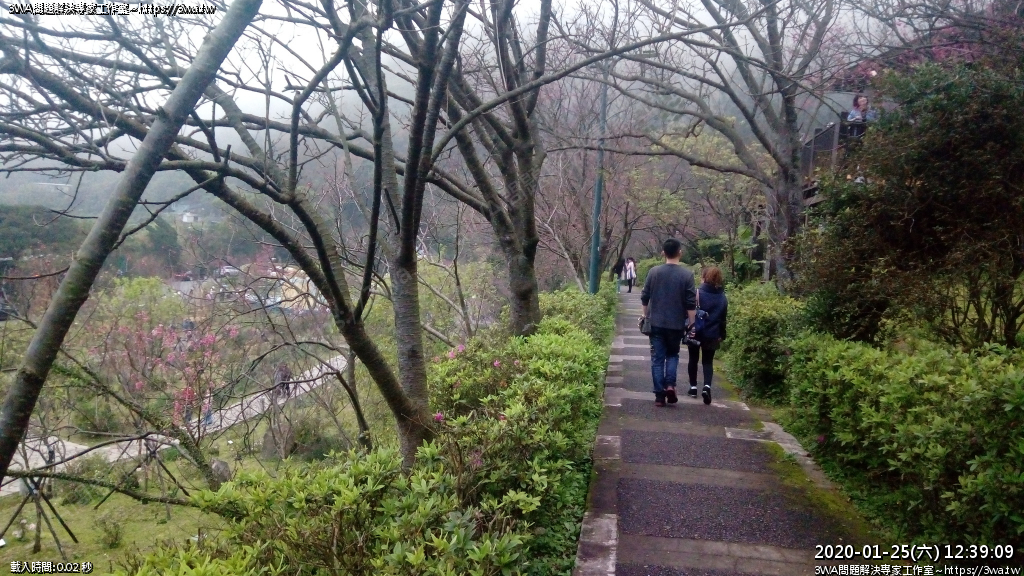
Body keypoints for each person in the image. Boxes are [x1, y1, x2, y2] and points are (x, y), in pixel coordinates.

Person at [640, 239, 697, 407]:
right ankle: (670, 385)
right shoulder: (687, 275)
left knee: (657, 359)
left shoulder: (654, 272)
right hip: (676, 324)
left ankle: (659, 396)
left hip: (656, 323)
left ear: (663, 253)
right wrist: (691, 324)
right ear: (680, 252)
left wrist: (645, 315)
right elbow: (691, 303)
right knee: (672, 355)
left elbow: (645, 296)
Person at [687, 266, 728, 405]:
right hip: (713, 333)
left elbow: (689, 310)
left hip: (696, 331)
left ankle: (693, 387)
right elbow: (723, 319)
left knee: (693, 358)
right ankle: (707, 387)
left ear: (704, 277)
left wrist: (688, 327)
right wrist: (722, 334)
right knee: (708, 361)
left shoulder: (697, 293)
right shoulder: (722, 297)